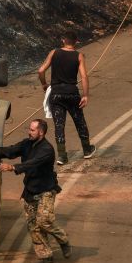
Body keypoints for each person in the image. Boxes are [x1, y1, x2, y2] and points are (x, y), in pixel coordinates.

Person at [0, 119, 71, 263]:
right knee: (33, 225)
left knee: (44, 221)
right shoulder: (27, 143)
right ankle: (45, 256)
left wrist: (13, 168)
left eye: (32, 130)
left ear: (41, 132)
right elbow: (13, 150)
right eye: (29, 129)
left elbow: (31, 163)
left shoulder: (47, 150)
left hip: (46, 190)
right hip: (30, 189)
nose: (29, 132)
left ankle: (63, 240)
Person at [37, 30, 95, 165]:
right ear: (76, 42)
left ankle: (62, 156)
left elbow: (40, 70)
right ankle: (87, 150)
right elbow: (84, 77)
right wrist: (85, 95)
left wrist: (44, 84)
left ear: (63, 40)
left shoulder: (54, 52)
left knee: (59, 124)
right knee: (79, 121)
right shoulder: (79, 56)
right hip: (71, 93)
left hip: (56, 94)